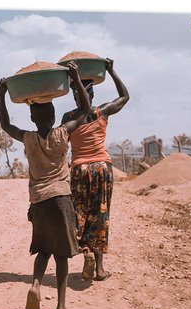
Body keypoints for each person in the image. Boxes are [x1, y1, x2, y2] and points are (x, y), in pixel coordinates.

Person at [0, 61, 90, 309]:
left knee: (43, 249)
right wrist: (75, 78)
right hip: (61, 199)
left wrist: (2, 95)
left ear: (32, 117)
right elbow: (84, 109)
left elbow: (5, 125)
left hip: (38, 202)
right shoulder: (63, 132)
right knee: (61, 255)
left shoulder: (27, 137)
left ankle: (36, 284)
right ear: (52, 116)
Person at [60, 58, 130, 281]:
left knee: (80, 214)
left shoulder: (68, 118)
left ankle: (86, 252)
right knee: (100, 215)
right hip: (102, 168)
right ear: (92, 94)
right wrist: (111, 70)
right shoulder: (103, 111)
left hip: (80, 169)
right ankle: (99, 269)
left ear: (74, 94)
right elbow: (125, 96)